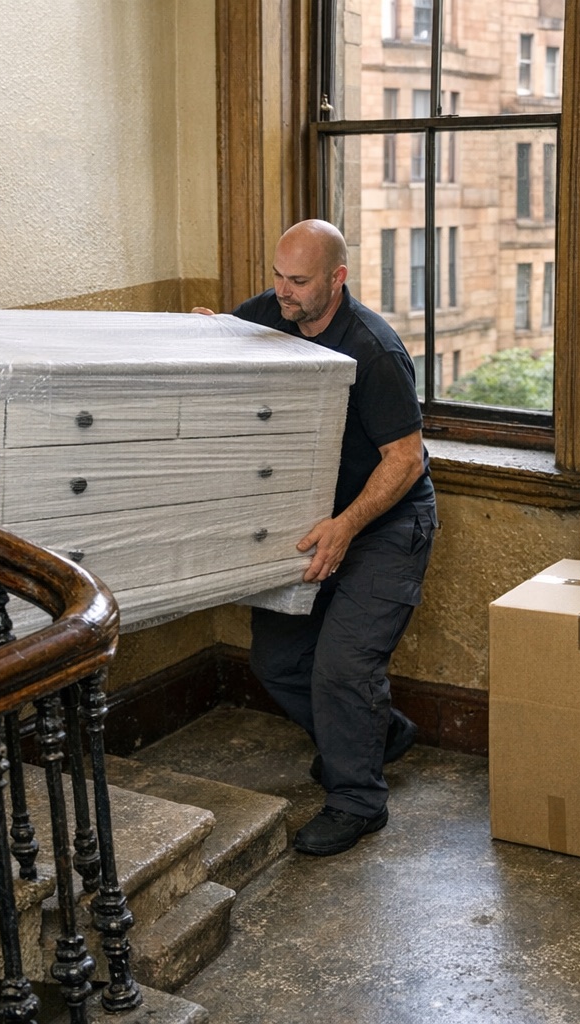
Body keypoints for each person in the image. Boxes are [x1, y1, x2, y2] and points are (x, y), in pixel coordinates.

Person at [193, 219, 438, 856]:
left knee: (343, 668)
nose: (282, 291)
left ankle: (358, 800)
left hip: (385, 522)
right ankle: (375, 734)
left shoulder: (373, 349)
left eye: (298, 280)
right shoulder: (273, 311)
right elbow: (227, 337)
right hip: (313, 518)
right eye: (277, 275)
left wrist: (347, 526)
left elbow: (405, 459)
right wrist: (205, 329)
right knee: (277, 661)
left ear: (338, 278)